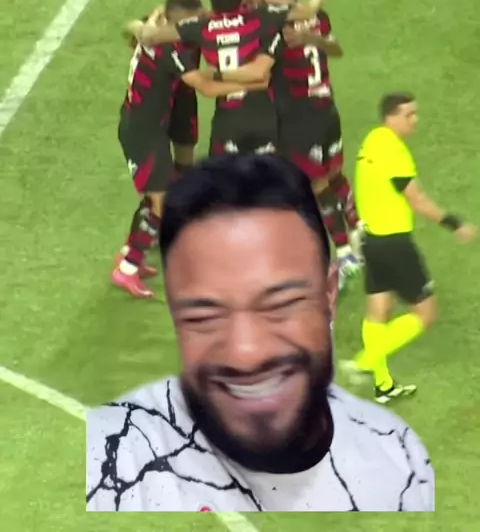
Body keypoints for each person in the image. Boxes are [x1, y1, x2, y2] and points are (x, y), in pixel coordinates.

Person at [87, 154, 434, 512]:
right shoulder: (115, 468)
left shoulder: (404, 475)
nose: (246, 353)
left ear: (330, 294)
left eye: (280, 304)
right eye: (206, 315)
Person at [217, 0, 363, 283]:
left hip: (299, 116)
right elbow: (336, 49)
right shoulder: (316, 16)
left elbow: (260, 72)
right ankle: (357, 227)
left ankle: (345, 254)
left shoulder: (272, 26)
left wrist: (215, 76)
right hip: (327, 108)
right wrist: (313, 34)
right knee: (334, 174)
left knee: (316, 185)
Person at [114, 0, 255, 298]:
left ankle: (132, 258)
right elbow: (205, 86)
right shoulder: (168, 49)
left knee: (157, 198)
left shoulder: (154, 30)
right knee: (162, 203)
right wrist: (251, 83)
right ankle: (128, 268)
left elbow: (133, 27)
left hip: (147, 126)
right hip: (142, 133)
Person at [341, 92, 477, 402]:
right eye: (408, 115)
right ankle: (365, 362)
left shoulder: (373, 140)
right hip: (395, 244)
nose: (415, 120)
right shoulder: (394, 150)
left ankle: (383, 385)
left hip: (371, 239)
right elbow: (418, 200)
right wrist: (454, 223)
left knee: (379, 309)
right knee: (426, 313)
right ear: (390, 116)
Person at [127, 0, 330, 155]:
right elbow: (308, 11)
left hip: (228, 118)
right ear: (241, 0)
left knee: (223, 181)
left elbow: (148, 37)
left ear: (211, 3)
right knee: (266, 178)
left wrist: (151, 18)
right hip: (262, 115)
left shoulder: (200, 27)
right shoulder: (261, 17)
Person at [168, 0, 202, 177]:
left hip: (185, 98)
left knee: (185, 163)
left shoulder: (205, 21)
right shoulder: (157, 21)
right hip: (158, 101)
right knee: (157, 167)